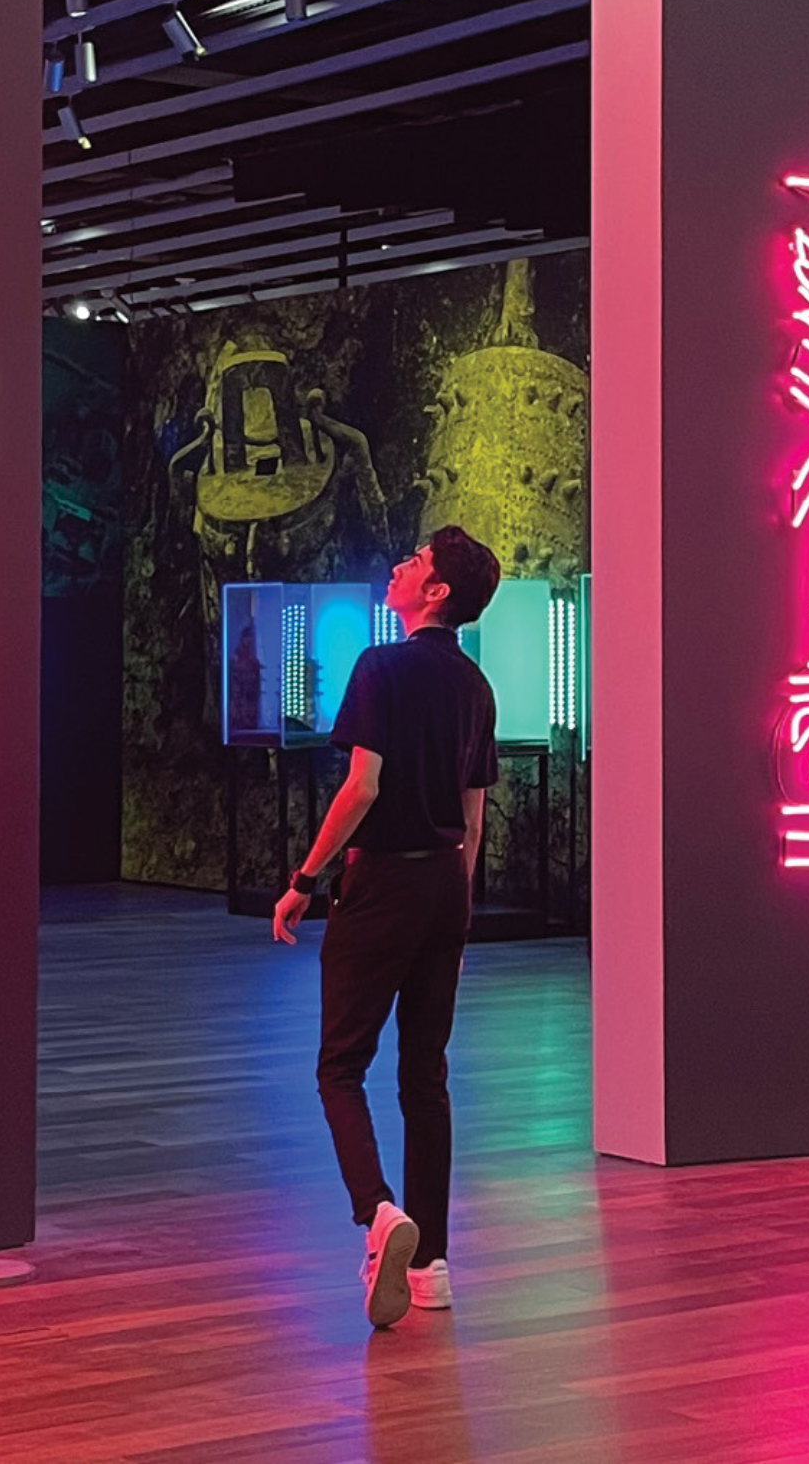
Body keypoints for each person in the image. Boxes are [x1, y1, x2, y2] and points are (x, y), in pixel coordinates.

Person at [272, 525, 502, 1331]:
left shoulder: (382, 667)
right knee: (425, 1074)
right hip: (444, 883)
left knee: (340, 1067)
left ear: (435, 593)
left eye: (415, 563)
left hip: (384, 880)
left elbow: (362, 785)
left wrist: (306, 878)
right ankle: (433, 1263)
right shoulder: (475, 686)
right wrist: (458, 907)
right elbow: (474, 816)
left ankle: (377, 1213)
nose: (399, 568)